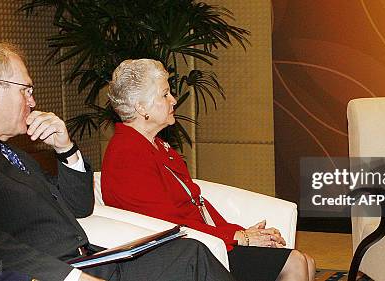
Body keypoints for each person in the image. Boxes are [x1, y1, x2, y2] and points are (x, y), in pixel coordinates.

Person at [0, 42, 235, 281]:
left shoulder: (7, 151)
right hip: (57, 271)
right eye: (25, 90)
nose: (32, 100)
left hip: (91, 260)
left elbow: (80, 206)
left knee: (191, 254)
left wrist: (65, 150)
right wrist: (70, 277)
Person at [101, 59, 316, 281]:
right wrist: (238, 237)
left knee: (306, 261)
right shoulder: (127, 155)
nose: (173, 100)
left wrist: (239, 232)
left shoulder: (155, 145)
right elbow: (169, 225)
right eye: (165, 94)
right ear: (141, 107)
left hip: (203, 241)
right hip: (183, 254)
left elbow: (196, 203)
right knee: (295, 263)